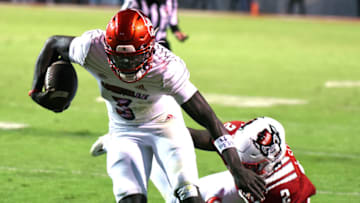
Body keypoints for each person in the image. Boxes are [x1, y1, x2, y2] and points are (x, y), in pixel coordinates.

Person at [29, 9, 265, 203]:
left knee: (188, 197)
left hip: (166, 127)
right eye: (120, 58)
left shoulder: (165, 69)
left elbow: (209, 119)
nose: (127, 64)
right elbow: (53, 44)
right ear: (108, 49)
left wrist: (236, 169)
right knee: (131, 200)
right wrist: (37, 90)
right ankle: (111, 142)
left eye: (133, 57)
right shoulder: (91, 48)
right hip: (124, 131)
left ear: (150, 49)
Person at [149, 117, 316, 203]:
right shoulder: (241, 135)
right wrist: (164, 130)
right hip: (242, 186)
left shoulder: (281, 187)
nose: (234, 159)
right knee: (180, 198)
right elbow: (207, 138)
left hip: (278, 197)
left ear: (264, 163)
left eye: (246, 164)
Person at [120, 0, 188, 50]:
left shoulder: (171, 2)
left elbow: (172, 18)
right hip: (139, 44)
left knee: (171, 66)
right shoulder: (136, 1)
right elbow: (122, 19)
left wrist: (176, 31)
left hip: (161, 42)